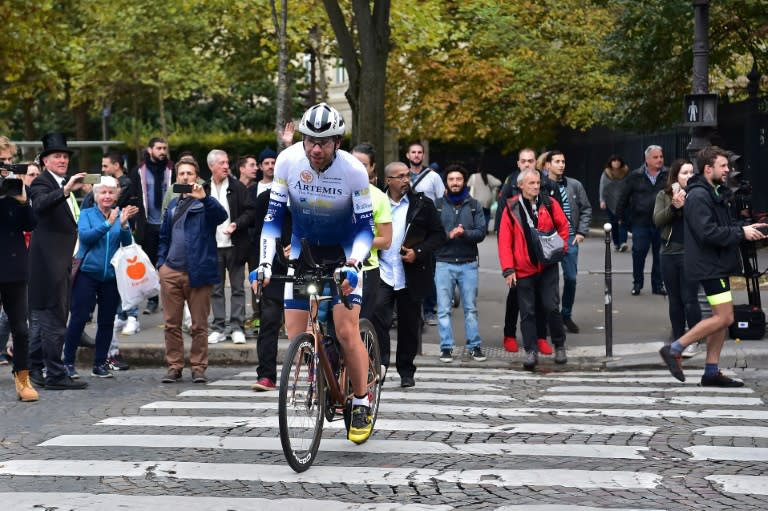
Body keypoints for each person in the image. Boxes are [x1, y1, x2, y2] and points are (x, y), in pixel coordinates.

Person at [253, 103, 376, 444]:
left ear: (337, 141)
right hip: (304, 253)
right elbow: (273, 219)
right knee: (297, 336)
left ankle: (362, 399)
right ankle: (317, 373)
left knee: (345, 330)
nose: (316, 149)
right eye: (310, 141)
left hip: (344, 254)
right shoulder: (289, 161)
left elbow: (366, 229)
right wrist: (264, 264)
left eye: (323, 143)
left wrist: (353, 264)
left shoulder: (353, 171)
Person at [659, 146, 767, 386]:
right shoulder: (698, 196)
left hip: (716, 263)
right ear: (709, 169)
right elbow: (707, 232)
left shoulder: (714, 192)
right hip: (709, 266)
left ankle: (711, 371)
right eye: (723, 166)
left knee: (721, 318)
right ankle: (676, 348)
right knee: (725, 318)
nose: (728, 169)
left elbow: (723, 224)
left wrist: (750, 227)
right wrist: (741, 232)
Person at [373, 162, 445, 387]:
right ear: (388, 180)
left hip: (410, 273)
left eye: (407, 176)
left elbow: (438, 235)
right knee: (378, 321)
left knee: (409, 325)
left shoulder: (422, 204)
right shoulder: (376, 201)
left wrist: (419, 252)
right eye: (400, 176)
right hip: (382, 270)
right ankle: (380, 367)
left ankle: (406, 370)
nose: (406, 180)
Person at [157, 157, 227, 383]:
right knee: (171, 324)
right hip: (171, 271)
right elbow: (164, 237)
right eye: (181, 174)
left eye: (189, 173)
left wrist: (205, 199)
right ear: (177, 178)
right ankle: (174, 366)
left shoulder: (205, 203)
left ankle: (198, 368)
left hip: (198, 272)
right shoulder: (173, 205)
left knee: (199, 325)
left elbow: (221, 216)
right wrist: (161, 264)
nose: (185, 177)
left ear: (196, 177)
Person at [61, 177, 139, 379]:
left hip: (111, 276)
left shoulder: (120, 214)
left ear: (116, 196)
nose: (107, 196)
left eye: (111, 193)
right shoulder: (87, 214)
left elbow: (127, 243)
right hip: (87, 273)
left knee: (106, 322)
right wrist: (107, 224)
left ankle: (100, 363)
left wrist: (122, 226)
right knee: (78, 319)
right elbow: (85, 237)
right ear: (95, 196)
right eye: (103, 192)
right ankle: (68, 362)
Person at [28, 132, 89, 390]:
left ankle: (35, 369)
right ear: (45, 161)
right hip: (48, 264)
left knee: (44, 320)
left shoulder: (60, 183)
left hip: (58, 261)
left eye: (65, 156)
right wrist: (65, 190)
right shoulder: (43, 183)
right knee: (52, 319)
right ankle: (54, 373)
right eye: (57, 156)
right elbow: (40, 204)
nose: (63, 159)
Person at [498, 169, 570, 370]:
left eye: (538, 183)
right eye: (531, 183)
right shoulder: (511, 208)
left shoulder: (549, 203)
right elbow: (505, 242)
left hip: (547, 266)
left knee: (551, 307)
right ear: (521, 185)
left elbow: (564, 227)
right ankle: (530, 352)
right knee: (527, 312)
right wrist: (508, 269)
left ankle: (559, 344)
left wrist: (561, 248)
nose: (536, 186)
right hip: (523, 269)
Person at [495, 148, 552, 355]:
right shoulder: (511, 184)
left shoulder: (544, 184)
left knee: (542, 299)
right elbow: (502, 219)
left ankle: (541, 336)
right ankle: (509, 334)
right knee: (515, 297)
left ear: (536, 162)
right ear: (518, 163)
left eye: (531, 160)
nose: (527, 164)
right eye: (523, 161)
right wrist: (508, 264)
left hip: (542, 253)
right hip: (519, 252)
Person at [434, 164, 487, 363]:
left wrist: (464, 233)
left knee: (471, 308)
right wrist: (449, 235)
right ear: (446, 182)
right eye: (451, 179)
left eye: (458, 179)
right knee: (443, 308)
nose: (455, 183)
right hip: (443, 263)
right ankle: (446, 347)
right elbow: (434, 235)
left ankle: (474, 346)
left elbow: (481, 233)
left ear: (464, 182)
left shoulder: (474, 205)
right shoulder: (438, 205)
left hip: (468, 263)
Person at [653, 158, 703, 358]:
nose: (689, 176)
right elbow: (657, 220)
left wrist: (687, 203)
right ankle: (678, 337)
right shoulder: (664, 195)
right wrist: (674, 206)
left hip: (690, 253)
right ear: (675, 176)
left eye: (691, 172)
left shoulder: (698, 194)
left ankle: (694, 339)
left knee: (690, 299)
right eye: (684, 173)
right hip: (669, 252)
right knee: (674, 299)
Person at [206, 149, 255, 345]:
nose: (226, 166)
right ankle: (218, 327)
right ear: (211, 166)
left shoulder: (238, 187)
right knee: (215, 289)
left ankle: (237, 327)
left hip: (235, 246)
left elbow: (251, 212)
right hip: (213, 246)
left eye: (227, 162)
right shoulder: (204, 189)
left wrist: (237, 224)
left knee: (237, 288)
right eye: (222, 163)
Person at [0, 150, 38, 401]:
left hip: (14, 269)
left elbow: (30, 224)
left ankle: (22, 377)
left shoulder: (15, 194)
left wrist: (23, 199)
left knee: (21, 329)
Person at [544, 150, 592, 334]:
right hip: (549, 239)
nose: (561, 164)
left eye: (563, 161)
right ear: (548, 165)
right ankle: (551, 317)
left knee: (571, 279)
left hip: (570, 239)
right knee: (550, 281)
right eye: (557, 161)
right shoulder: (542, 185)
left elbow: (586, 208)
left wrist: (581, 232)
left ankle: (566, 314)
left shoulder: (574, 185)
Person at [350, 143, 393, 343]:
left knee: (356, 327)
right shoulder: (334, 190)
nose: (357, 168)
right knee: (333, 327)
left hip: (365, 271)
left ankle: (360, 371)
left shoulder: (379, 198)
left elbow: (385, 241)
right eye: (353, 162)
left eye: (364, 164)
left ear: (372, 168)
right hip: (333, 264)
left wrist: (355, 240)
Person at [128, 136, 173, 314]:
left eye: (164, 148)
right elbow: (132, 195)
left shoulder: (172, 170)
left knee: (169, 264)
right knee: (149, 264)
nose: (162, 152)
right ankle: (152, 300)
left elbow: (181, 190)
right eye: (159, 148)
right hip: (147, 225)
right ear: (150, 150)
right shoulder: (139, 171)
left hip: (168, 224)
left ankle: (170, 299)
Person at [616, 145, 668, 296]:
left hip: (662, 221)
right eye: (655, 157)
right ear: (647, 159)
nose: (659, 160)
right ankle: (637, 283)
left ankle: (658, 285)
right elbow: (624, 197)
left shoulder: (668, 174)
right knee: (639, 252)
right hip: (641, 221)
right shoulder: (635, 176)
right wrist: (621, 218)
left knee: (660, 254)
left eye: (661, 157)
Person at [405, 142, 444, 326]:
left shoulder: (433, 177)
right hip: (408, 228)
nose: (417, 155)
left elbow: (441, 202)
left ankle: (429, 310)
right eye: (413, 152)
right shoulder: (402, 176)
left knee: (429, 270)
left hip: (427, 229)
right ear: (407, 155)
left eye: (420, 152)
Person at [599, 155, 630, 252]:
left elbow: (630, 186)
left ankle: (623, 243)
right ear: (610, 162)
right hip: (610, 202)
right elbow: (602, 187)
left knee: (622, 222)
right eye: (614, 160)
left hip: (623, 202)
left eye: (618, 160)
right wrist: (602, 200)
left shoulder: (626, 172)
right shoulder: (606, 173)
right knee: (614, 223)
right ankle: (616, 243)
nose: (616, 162)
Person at [467, 167, 501, 231]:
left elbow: (468, 184)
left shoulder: (474, 176)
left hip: (477, 199)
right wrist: (491, 185)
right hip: (487, 199)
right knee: (486, 214)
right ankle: (485, 229)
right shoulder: (489, 176)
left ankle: (478, 228)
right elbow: (499, 182)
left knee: (477, 215)